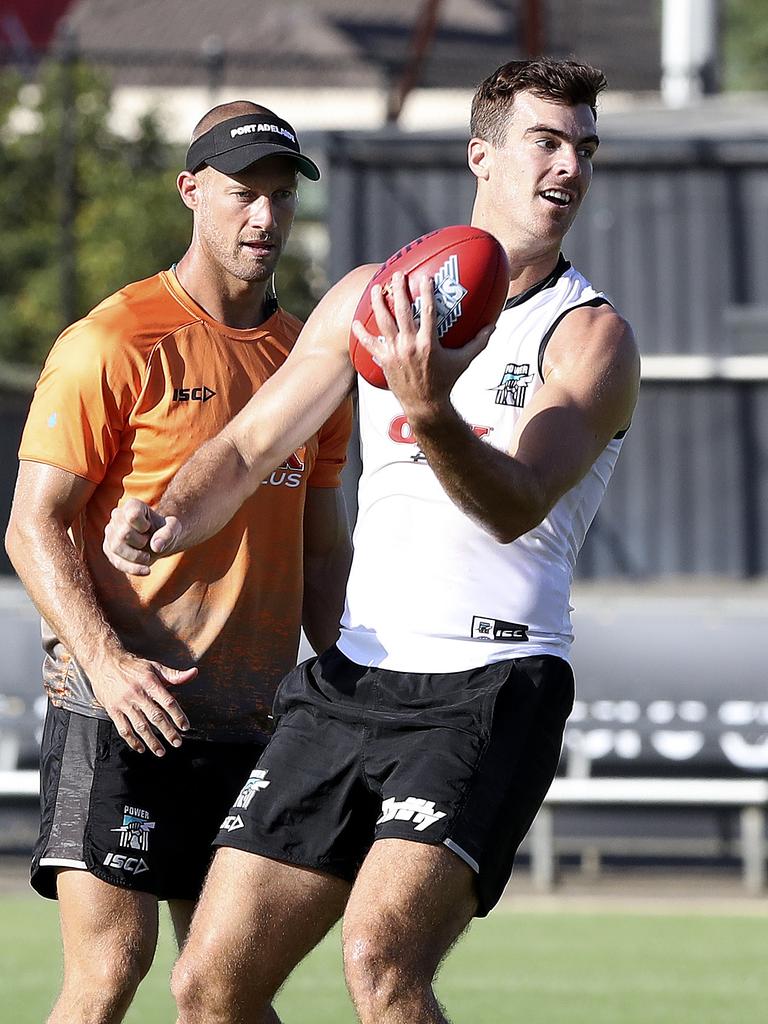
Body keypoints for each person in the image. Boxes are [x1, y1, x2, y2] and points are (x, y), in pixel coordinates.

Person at [104, 59, 640, 1024]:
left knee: (381, 965)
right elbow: (248, 444)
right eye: (547, 143)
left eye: (586, 149)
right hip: (353, 680)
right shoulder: (371, 299)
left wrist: (428, 408)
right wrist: (166, 516)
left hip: (493, 684)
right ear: (481, 154)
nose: (569, 168)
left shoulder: (588, 336)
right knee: (209, 984)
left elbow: (515, 503)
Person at [4, 100, 352, 1024]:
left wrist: (358, 680)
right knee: (110, 972)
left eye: (281, 196)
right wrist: (110, 668)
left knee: (224, 991)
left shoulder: (308, 360)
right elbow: (31, 527)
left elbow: (324, 548)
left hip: (257, 723)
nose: (265, 218)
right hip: (122, 712)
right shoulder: (113, 340)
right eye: (245, 193)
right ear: (192, 191)